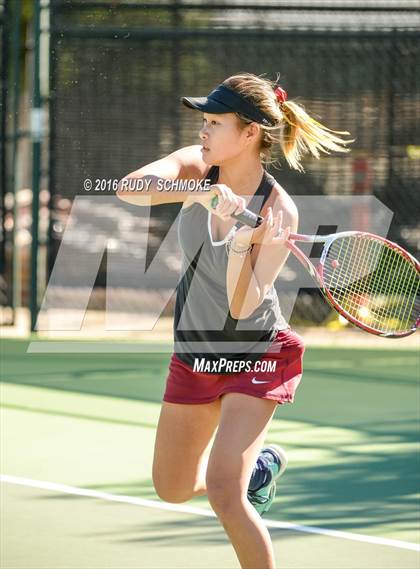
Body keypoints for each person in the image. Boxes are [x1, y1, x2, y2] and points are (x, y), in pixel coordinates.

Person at [117, 73, 352, 569]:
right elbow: (127, 188)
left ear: (250, 133)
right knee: (173, 487)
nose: (204, 131)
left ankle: (244, 482)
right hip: (196, 352)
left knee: (225, 494)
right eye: (203, 121)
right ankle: (261, 470)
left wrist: (245, 242)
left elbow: (243, 305)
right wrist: (200, 196)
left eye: (215, 122)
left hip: (258, 353)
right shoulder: (197, 164)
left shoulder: (279, 211)